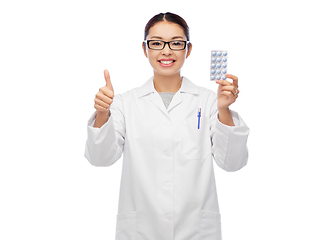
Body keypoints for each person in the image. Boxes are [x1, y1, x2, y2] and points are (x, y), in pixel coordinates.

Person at [85, 12, 249, 240]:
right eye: (156, 43)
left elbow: (232, 162)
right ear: (145, 49)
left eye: (176, 43)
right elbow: (100, 159)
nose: (166, 50)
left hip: (196, 231)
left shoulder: (209, 101)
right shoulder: (125, 102)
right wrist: (103, 113)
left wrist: (224, 109)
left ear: (188, 50)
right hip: (141, 230)